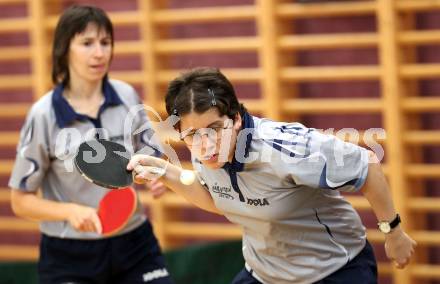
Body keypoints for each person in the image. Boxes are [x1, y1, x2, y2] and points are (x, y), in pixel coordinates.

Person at [128, 67, 417, 284]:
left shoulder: (286, 148)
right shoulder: (203, 151)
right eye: (192, 135)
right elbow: (220, 200)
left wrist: (393, 231)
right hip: (266, 274)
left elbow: (367, 164)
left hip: (334, 270)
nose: (207, 144)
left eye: (215, 129)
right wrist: (165, 172)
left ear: (236, 118)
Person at [9, 5, 173, 284]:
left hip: (134, 243)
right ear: (64, 48)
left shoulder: (126, 95)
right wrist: (70, 211)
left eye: (105, 42)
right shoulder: (43, 114)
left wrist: (158, 175)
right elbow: (20, 200)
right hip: (69, 254)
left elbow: (152, 155)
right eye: (87, 43)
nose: (99, 53)